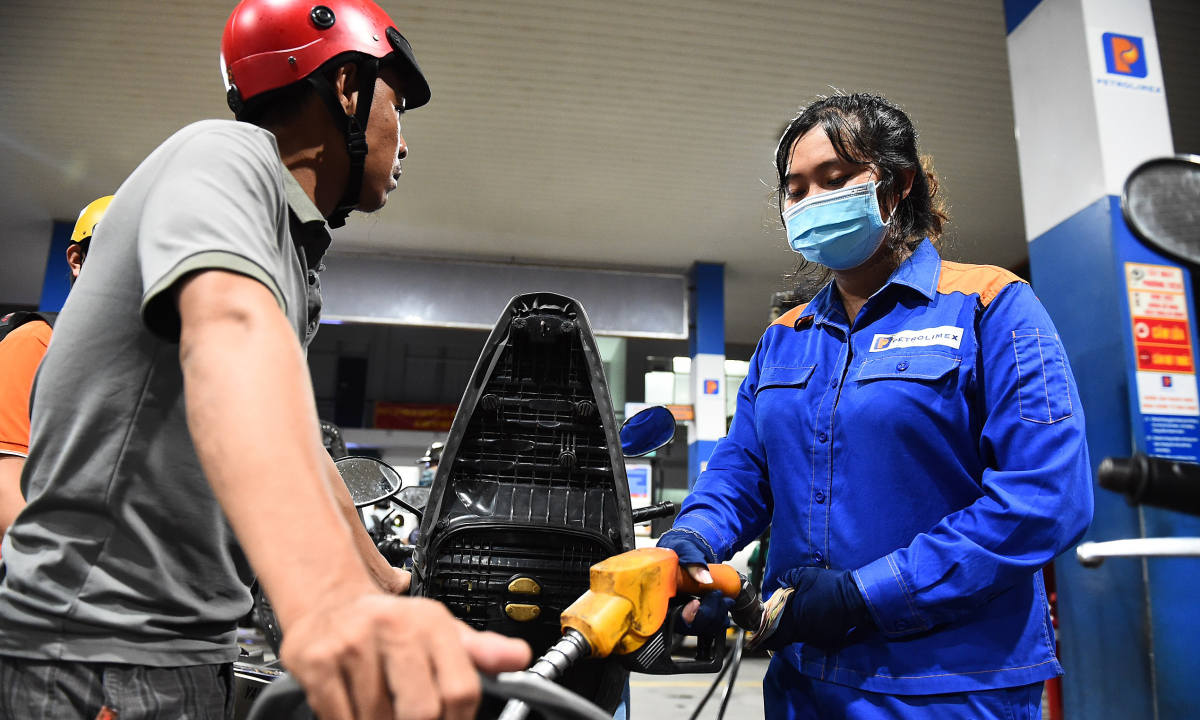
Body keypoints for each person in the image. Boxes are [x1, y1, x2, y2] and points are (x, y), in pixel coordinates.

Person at [0, 1, 529, 719]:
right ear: (346, 84)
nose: (403, 143)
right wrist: (324, 601)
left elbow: (298, 449)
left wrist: (387, 584)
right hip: (97, 652)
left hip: (183, 650)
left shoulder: (290, 254)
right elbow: (229, 329)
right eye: (397, 107)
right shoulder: (225, 155)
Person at [657, 93, 1093, 720]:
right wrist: (692, 542)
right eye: (795, 189)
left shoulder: (991, 305)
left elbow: (1046, 497)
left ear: (897, 185)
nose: (812, 201)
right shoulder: (787, 337)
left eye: (835, 180)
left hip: (952, 686)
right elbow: (741, 472)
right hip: (803, 681)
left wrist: (868, 595)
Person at [0, 195, 111, 535]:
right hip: (30, 576)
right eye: (115, 251)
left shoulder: (135, 366)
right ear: (77, 259)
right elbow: (6, 480)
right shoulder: (38, 341)